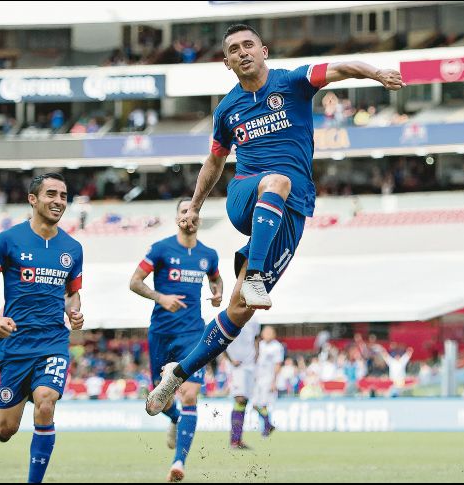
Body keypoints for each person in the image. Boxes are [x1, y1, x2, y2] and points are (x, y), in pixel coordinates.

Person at [145, 23, 404, 416]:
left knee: (238, 311)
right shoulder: (228, 109)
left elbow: (340, 68)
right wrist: (196, 204)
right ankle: (253, 279)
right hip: (247, 193)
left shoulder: (293, 82)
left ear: (264, 50)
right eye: (234, 49)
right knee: (276, 180)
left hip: (292, 210)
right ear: (228, 62)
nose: (242, 52)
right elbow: (215, 160)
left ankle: (176, 375)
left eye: (249, 45)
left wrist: (376, 73)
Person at [0, 173, 84, 484]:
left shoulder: (73, 248)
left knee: (46, 399)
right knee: (6, 430)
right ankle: (9, 389)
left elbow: (71, 293)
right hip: (15, 347)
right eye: (51, 194)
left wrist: (73, 312)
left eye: (63, 195)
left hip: (52, 342)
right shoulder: (9, 240)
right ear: (32, 199)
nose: (59, 201)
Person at [129, 197, 223, 482]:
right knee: (160, 401)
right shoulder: (161, 249)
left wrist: (218, 293)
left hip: (194, 333)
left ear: (199, 219)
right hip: (162, 332)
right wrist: (160, 297)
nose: (189, 216)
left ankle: (178, 462)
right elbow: (135, 281)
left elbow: (215, 279)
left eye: (194, 212)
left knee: (191, 393)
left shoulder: (209, 254)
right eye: (184, 211)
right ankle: (176, 419)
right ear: (177, 217)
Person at [224, 316, 261, 449]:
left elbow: (256, 338)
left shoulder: (254, 319)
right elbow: (222, 340)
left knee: (244, 401)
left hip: (250, 364)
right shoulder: (230, 315)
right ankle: (234, 440)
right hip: (236, 365)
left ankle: (237, 439)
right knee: (239, 399)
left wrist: (257, 353)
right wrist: (229, 359)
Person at [253, 325, 284, 437]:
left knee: (264, 404)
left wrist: (274, 382)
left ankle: (266, 428)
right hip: (258, 379)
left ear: (274, 334)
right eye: (265, 332)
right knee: (254, 405)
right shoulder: (260, 345)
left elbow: (278, 364)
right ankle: (268, 424)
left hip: (268, 379)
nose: (267, 335)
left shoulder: (277, 347)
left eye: (269, 332)